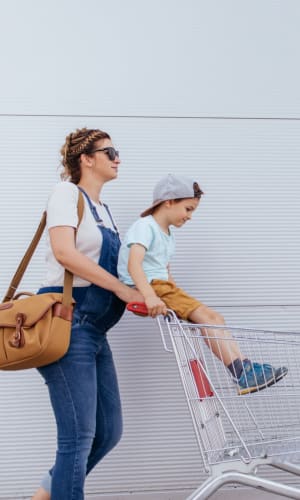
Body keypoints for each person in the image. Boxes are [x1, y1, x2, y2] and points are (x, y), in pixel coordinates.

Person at [32, 128, 142, 500]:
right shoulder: (66, 193)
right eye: (109, 151)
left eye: (117, 151)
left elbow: (120, 269)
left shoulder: (104, 213)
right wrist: (118, 287)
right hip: (70, 324)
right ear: (86, 159)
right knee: (77, 438)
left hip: (95, 330)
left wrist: (144, 293)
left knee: (108, 432)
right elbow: (65, 252)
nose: (117, 158)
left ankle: (44, 495)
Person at [118, 173, 288, 396]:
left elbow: (165, 271)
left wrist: (179, 297)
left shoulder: (167, 234)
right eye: (188, 209)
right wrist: (149, 296)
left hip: (162, 286)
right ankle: (240, 373)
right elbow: (134, 265)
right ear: (168, 202)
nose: (190, 216)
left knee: (215, 319)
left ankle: (244, 366)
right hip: (150, 286)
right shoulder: (145, 226)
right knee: (208, 319)